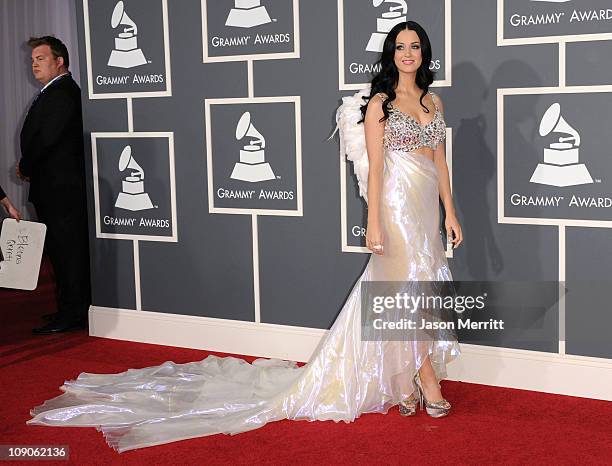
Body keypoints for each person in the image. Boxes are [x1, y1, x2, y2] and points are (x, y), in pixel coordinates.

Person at [27, 22, 463, 451]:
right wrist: (374, 220)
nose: (408, 54)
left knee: (416, 290)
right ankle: (423, 376)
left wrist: (451, 213)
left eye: (415, 47)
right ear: (391, 54)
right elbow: (376, 167)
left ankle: (406, 377)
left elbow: (440, 162)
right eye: (400, 47)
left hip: (426, 206)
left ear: (424, 54)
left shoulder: (433, 101)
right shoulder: (380, 104)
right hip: (396, 205)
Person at [18, 36, 91, 334]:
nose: (34, 64)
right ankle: (68, 308)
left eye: (41, 58)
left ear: (59, 61)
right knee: (60, 252)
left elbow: (47, 139)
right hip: (54, 187)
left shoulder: (62, 93)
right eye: (33, 59)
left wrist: (26, 165)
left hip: (62, 189)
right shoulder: (53, 92)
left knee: (68, 252)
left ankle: (74, 314)